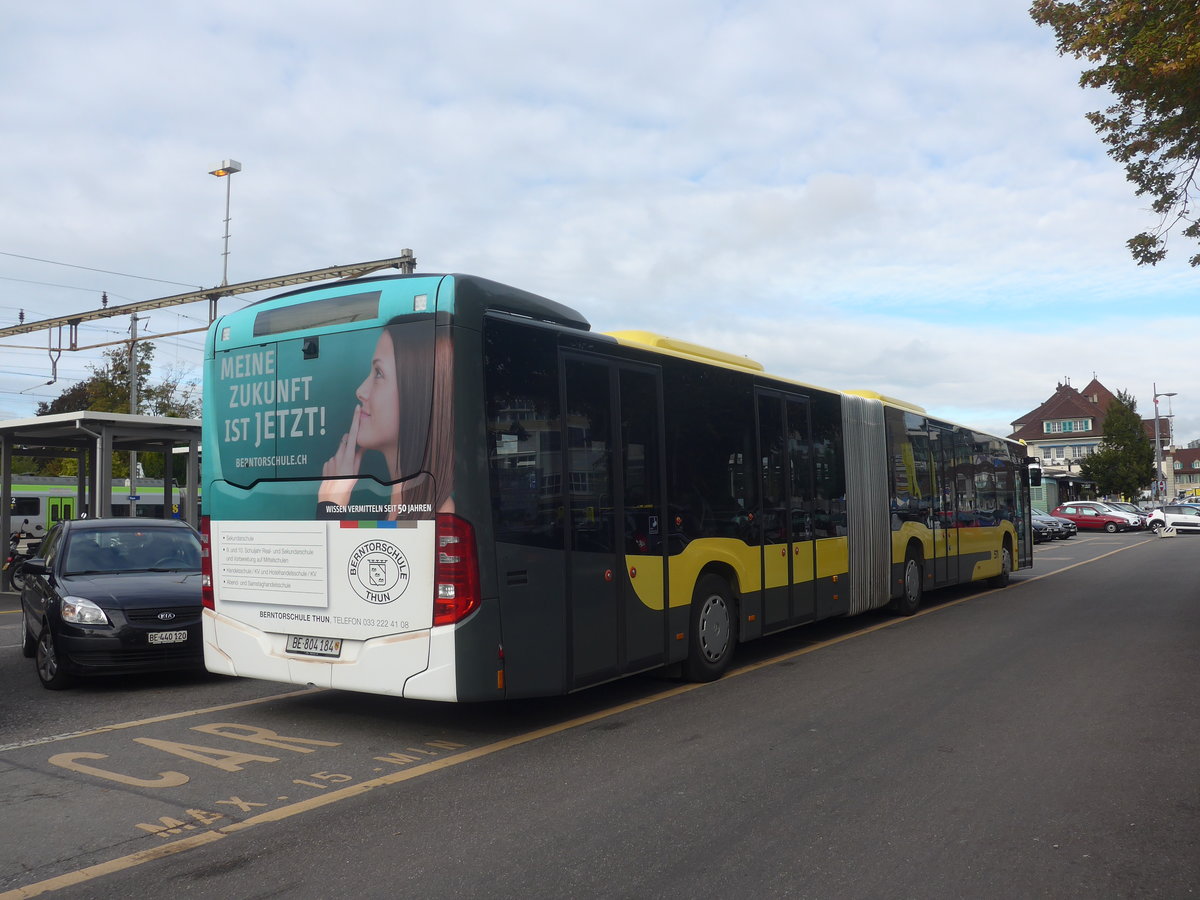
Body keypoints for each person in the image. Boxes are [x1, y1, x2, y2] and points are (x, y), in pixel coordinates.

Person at [317, 317, 453, 518]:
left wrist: (331, 505)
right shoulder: (390, 509)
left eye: (379, 373)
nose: (360, 391)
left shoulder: (443, 515)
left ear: (417, 392)